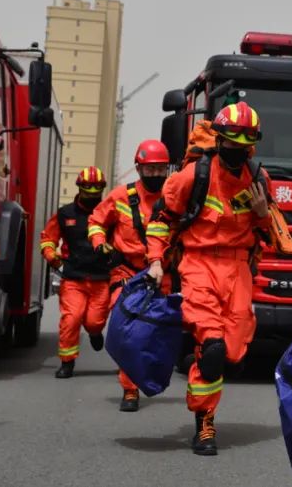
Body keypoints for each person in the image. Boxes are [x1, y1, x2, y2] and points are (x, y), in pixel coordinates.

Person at [146, 103, 273, 457]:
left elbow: (273, 236)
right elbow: (161, 221)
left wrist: (263, 215)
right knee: (214, 348)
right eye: (231, 143)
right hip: (199, 265)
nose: (237, 151)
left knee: (232, 353)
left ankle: (203, 359)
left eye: (245, 145)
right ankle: (204, 424)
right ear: (218, 140)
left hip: (239, 270)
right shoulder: (193, 176)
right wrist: (156, 262)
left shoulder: (260, 180)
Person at [88, 141, 172, 412]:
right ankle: (130, 389)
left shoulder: (174, 195)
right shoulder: (121, 196)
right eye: (150, 169)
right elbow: (96, 221)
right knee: (130, 331)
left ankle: (154, 375)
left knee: (158, 331)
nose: (155, 174)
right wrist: (100, 244)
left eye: (160, 169)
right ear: (138, 169)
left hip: (162, 273)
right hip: (127, 272)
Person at [40, 166, 112, 379]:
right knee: (71, 319)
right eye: (88, 191)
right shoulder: (65, 214)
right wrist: (51, 255)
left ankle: (95, 333)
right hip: (73, 278)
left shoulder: (109, 213)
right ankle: (67, 363)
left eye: (96, 191)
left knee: (94, 322)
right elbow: (48, 238)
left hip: (101, 278)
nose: (92, 196)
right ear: (80, 188)